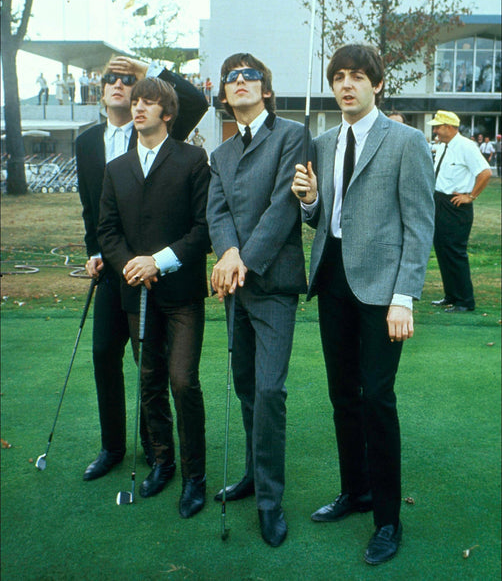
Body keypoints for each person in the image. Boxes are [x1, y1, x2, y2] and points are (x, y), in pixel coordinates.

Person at [292, 43, 435, 566]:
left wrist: (404, 298)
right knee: (342, 396)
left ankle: (388, 520)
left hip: (382, 292)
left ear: (377, 83)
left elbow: (420, 224)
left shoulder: (407, 141)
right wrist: (308, 201)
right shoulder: (324, 142)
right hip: (331, 280)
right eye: (338, 77)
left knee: (377, 399)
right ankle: (356, 493)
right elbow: (321, 219)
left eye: (356, 76)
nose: (346, 85)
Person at [75, 56, 208, 484]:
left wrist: (159, 261)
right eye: (135, 101)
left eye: (147, 102)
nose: (137, 107)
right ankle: (162, 462)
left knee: (182, 380)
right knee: (148, 379)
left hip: (181, 291)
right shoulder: (115, 167)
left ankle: (194, 476)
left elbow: (203, 228)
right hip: (133, 288)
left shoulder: (192, 158)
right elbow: (104, 227)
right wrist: (127, 263)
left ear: (166, 113)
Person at [206, 52, 307, 548]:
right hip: (234, 287)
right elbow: (217, 210)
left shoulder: (292, 134)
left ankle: (270, 499)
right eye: (232, 77)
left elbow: (285, 205)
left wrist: (242, 259)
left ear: (265, 89)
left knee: (269, 392)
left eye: (250, 76)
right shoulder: (221, 153)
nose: (240, 81)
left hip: (272, 285)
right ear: (224, 94)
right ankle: (251, 475)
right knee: (246, 387)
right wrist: (226, 252)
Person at [427, 110, 492, 312]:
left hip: (456, 205)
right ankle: (451, 295)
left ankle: (465, 300)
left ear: (449, 127)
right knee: (442, 250)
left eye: (438, 127)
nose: (435, 130)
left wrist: (470, 196)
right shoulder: (443, 147)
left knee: (455, 252)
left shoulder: (466, 146)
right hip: (440, 202)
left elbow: (485, 172)